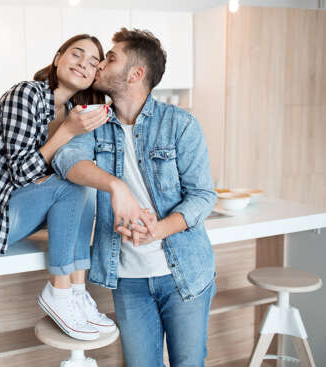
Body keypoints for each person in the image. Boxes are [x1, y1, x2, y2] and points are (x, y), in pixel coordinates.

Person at [52, 27, 217, 365]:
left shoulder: (180, 124)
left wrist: (158, 229)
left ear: (136, 74)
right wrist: (117, 186)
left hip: (183, 272)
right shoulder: (95, 122)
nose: (98, 65)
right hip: (127, 279)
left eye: (110, 59)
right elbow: (66, 160)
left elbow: (203, 196)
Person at [0, 34, 116, 341]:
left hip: (13, 212)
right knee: (71, 185)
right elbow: (21, 173)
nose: (83, 64)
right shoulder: (26, 95)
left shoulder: (71, 109)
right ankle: (59, 291)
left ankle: (78, 293)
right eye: (76, 55)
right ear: (58, 58)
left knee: (85, 186)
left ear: (96, 75)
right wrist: (67, 131)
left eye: (92, 62)